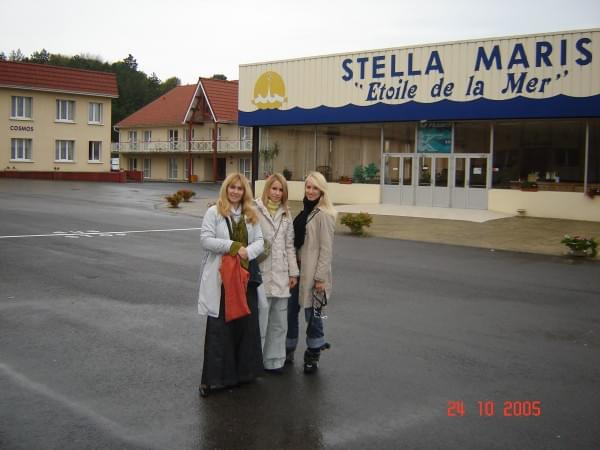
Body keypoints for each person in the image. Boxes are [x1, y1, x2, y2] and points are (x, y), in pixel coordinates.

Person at [197, 173, 264, 397]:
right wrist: (232, 246)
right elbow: (205, 240)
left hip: (246, 277)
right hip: (222, 278)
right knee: (220, 329)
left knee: (245, 327)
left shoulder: (250, 215)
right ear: (226, 189)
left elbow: (260, 242)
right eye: (232, 187)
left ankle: (243, 375)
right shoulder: (214, 212)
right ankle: (214, 380)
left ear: (245, 192)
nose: (235, 191)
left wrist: (247, 251)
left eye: (239, 188)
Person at [286, 171, 337, 374]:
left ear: (322, 190)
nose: (311, 191)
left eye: (315, 187)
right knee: (289, 313)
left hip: (314, 276)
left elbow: (326, 250)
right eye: (308, 187)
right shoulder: (305, 211)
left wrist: (320, 279)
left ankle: (313, 353)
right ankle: (287, 350)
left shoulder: (324, 215)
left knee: (314, 316)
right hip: (296, 272)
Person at [255, 174, 299, 373]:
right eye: (274, 189)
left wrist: (293, 273)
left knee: (279, 323)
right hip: (262, 274)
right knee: (260, 322)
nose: (277, 193)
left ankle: (274, 361)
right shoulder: (255, 210)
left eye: (281, 190)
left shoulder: (286, 214)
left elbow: (290, 246)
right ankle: (255, 361)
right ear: (267, 189)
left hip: (281, 275)